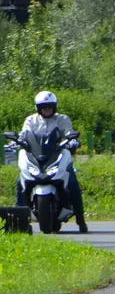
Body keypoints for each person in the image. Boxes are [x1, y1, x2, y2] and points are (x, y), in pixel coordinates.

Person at [18, 90, 86, 232]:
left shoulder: (62, 119)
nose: (47, 109)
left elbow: (68, 131)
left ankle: (80, 218)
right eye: (44, 107)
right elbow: (24, 134)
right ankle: (19, 218)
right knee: (20, 182)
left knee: (72, 182)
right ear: (38, 108)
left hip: (58, 156)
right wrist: (18, 141)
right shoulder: (31, 120)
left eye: (50, 106)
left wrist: (72, 140)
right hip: (37, 158)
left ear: (54, 107)